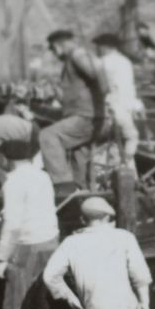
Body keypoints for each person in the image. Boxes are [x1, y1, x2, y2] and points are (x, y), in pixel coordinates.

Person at [0, 138, 61, 309]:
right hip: (50, 243)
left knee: (14, 305)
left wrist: (1, 258)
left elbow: (12, 223)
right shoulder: (42, 176)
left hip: (26, 247)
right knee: (37, 298)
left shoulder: (13, 181)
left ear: (7, 158)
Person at [39, 29, 106, 194]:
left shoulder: (78, 55)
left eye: (54, 50)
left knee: (48, 136)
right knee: (79, 159)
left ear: (58, 45)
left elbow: (97, 71)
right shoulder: (74, 59)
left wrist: (107, 94)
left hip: (85, 116)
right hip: (87, 116)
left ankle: (63, 188)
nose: (55, 54)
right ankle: (85, 194)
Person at [93, 32, 142, 166]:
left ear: (105, 47)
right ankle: (126, 169)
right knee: (129, 140)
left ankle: (110, 169)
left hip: (110, 109)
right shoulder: (125, 62)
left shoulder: (101, 63)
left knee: (103, 144)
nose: (97, 49)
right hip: (125, 108)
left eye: (98, 46)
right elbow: (129, 88)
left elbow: (101, 88)